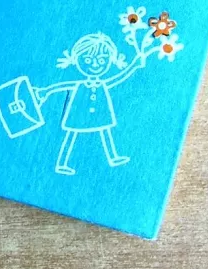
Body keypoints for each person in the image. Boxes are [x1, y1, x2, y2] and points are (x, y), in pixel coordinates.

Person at [35, 32, 146, 175]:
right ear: (76, 60)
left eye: (101, 60)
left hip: (100, 111)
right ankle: (62, 163)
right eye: (88, 60)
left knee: (105, 131)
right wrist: (46, 91)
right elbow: (63, 85)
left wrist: (134, 65)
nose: (95, 65)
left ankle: (113, 157)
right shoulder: (79, 84)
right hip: (79, 111)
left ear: (110, 60)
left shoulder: (103, 83)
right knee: (72, 134)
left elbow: (118, 78)